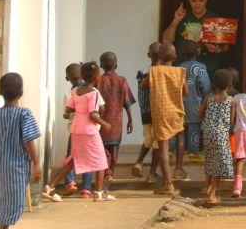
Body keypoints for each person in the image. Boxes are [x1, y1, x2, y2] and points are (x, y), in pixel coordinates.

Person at [43, 61, 114, 202]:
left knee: (74, 160)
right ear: (97, 76)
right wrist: (106, 124)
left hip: (76, 130)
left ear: (82, 75)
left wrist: (78, 109)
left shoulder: (75, 92)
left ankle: (49, 187)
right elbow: (93, 115)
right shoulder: (93, 93)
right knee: (101, 160)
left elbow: (67, 111)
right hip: (89, 131)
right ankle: (98, 193)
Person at [0, 73, 42, 228]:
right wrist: (36, 163)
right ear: (21, 93)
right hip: (16, 168)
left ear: (0, 92)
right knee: (15, 200)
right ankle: (3, 226)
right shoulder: (23, 114)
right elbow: (29, 140)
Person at [146, 42, 187, 196]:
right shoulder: (180, 72)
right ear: (175, 57)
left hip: (161, 113)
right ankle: (178, 168)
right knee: (180, 136)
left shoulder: (154, 71)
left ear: (158, 57)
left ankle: (168, 184)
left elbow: (144, 86)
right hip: (176, 112)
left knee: (163, 148)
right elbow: (186, 92)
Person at [161, 0, 227, 74]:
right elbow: (166, 40)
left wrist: (216, 49)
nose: (198, 4)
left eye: (201, 0)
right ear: (188, 0)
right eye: (194, 1)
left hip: (207, 70)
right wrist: (175, 21)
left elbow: (225, 47)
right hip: (182, 69)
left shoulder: (215, 18)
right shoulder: (182, 16)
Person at [96, 51, 135, 185]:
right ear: (116, 64)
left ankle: (105, 172)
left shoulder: (98, 81)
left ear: (101, 64)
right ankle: (111, 172)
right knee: (114, 148)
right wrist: (130, 119)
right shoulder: (122, 80)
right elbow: (127, 102)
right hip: (116, 123)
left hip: (101, 122)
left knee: (102, 148)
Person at [199, 69, 234, 206]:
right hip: (221, 134)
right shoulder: (231, 101)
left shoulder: (208, 97)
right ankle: (213, 194)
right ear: (229, 84)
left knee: (210, 158)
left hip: (207, 133)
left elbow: (200, 113)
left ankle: (206, 187)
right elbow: (231, 121)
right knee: (219, 165)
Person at [177, 40, 211, 177]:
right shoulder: (200, 67)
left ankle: (172, 150)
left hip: (180, 105)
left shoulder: (178, 68)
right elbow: (206, 88)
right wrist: (204, 104)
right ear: (197, 52)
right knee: (194, 128)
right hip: (196, 105)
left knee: (178, 130)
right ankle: (193, 152)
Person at [60, 63, 93, 199]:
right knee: (88, 158)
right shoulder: (92, 90)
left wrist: (68, 114)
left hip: (74, 130)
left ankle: (70, 182)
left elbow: (66, 114)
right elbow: (98, 109)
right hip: (89, 131)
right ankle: (86, 189)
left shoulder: (69, 94)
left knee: (71, 156)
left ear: (67, 78)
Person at [131, 42, 161, 183]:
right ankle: (152, 173)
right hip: (158, 112)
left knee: (148, 140)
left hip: (145, 113)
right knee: (158, 143)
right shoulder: (163, 71)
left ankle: (138, 162)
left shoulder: (142, 71)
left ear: (148, 55)